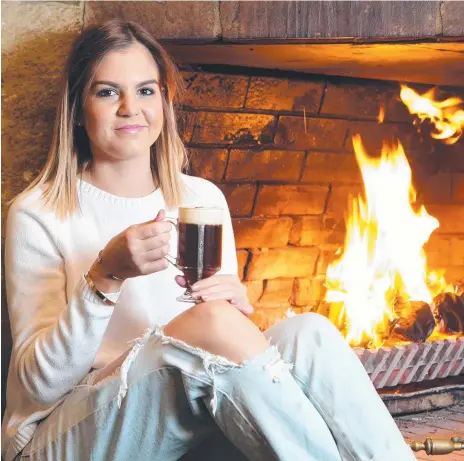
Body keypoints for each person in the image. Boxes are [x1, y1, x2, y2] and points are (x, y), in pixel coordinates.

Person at [2, 20, 416, 461]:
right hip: (65, 435)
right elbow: (37, 385)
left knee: (308, 334)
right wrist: (104, 279)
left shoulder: (200, 199)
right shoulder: (39, 213)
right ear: (78, 109)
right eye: (107, 92)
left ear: (164, 101)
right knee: (210, 326)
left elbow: (226, 365)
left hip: (180, 420)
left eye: (146, 91)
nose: (130, 108)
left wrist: (233, 312)